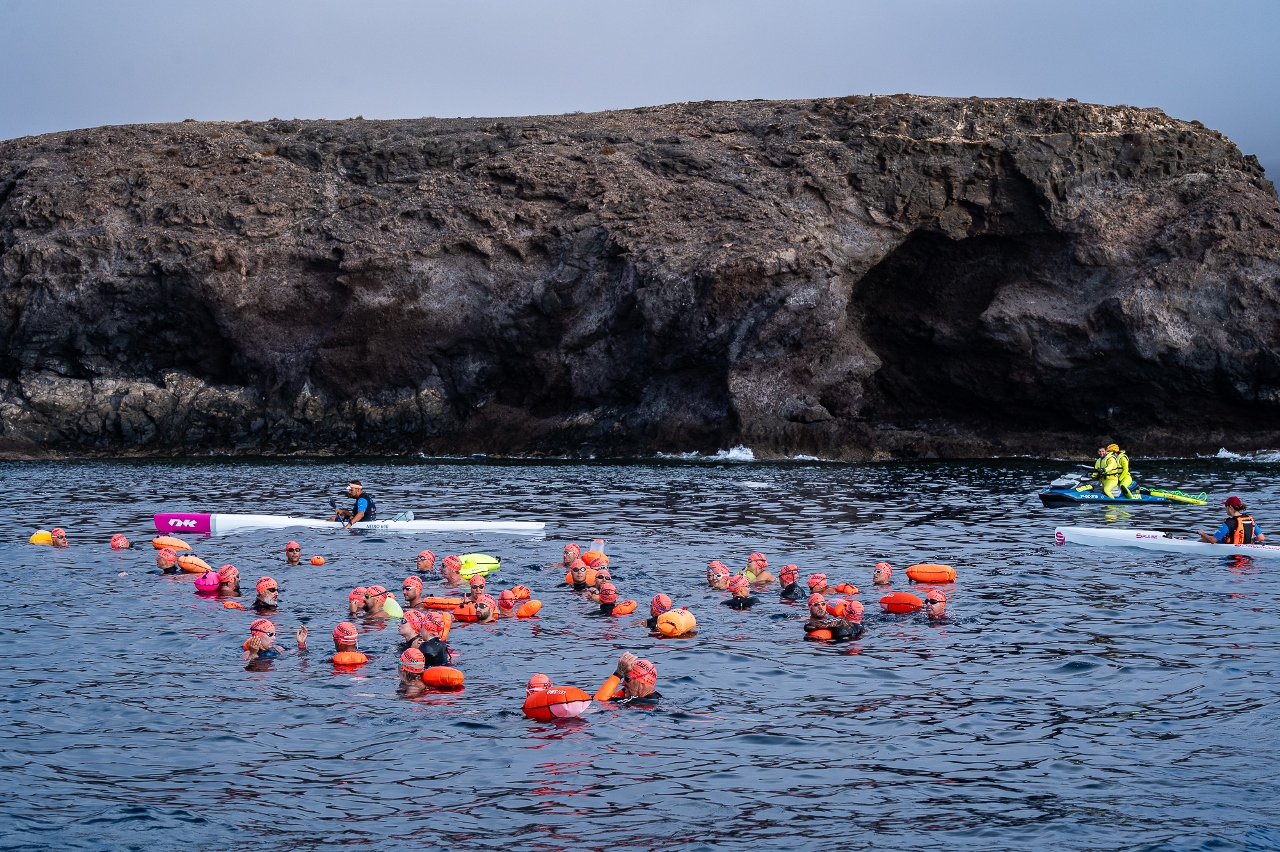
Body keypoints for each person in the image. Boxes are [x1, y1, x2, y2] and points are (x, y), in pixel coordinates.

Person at [594, 652, 661, 705]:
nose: (623, 684)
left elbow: (599, 702)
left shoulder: (637, 701)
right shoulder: (656, 699)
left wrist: (619, 673)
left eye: (627, 678)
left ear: (641, 681)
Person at [1199, 496, 1265, 544]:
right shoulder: (1250, 520)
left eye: (1225, 506)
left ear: (1230, 507)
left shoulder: (1229, 523)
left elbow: (1213, 540)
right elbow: (1261, 538)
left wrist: (1202, 533)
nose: (1225, 509)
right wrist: (1251, 540)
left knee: (1205, 539)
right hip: (1246, 548)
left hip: (1231, 551)